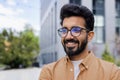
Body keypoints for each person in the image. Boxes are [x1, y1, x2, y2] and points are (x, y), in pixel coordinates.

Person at [39, 4, 120, 80]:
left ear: (89, 36)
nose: (68, 36)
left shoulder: (112, 73)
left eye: (76, 30)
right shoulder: (49, 72)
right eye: (64, 30)